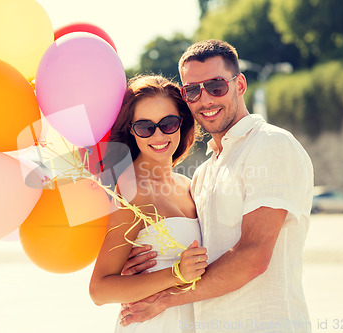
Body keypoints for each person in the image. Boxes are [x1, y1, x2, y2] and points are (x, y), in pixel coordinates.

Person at [118, 40, 314, 333]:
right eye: (192, 90)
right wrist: (138, 273)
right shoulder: (203, 173)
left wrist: (163, 300)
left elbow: (253, 256)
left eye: (216, 86)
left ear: (240, 84)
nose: (205, 99)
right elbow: (191, 253)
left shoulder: (271, 144)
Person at [89, 74, 209, 333]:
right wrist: (175, 273)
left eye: (168, 123)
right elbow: (99, 290)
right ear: (131, 131)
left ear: (182, 123)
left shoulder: (188, 185)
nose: (158, 135)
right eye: (145, 127)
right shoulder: (130, 190)